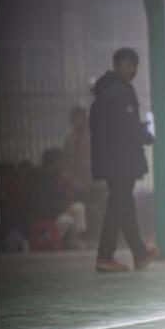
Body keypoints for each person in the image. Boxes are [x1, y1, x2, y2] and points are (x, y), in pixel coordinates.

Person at [89, 46, 158, 273]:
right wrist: (146, 135)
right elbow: (126, 126)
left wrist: (138, 128)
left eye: (134, 64)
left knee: (123, 205)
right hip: (120, 160)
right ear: (116, 66)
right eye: (127, 64)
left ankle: (138, 253)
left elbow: (118, 124)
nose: (132, 69)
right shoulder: (120, 91)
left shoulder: (107, 90)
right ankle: (105, 256)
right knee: (118, 205)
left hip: (112, 158)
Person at [29, 147, 87, 249]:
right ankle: (46, 240)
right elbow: (43, 200)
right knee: (68, 220)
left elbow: (67, 193)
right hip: (45, 213)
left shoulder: (57, 175)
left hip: (58, 209)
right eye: (59, 161)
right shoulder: (40, 176)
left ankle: (75, 239)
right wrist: (61, 205)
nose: (61, 164)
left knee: (79, 207)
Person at [63, 104, 105, 244]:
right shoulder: (70, 139)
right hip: (77, 184)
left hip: (96, 182)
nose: (75, 122)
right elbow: (67, 162)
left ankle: (97, 236)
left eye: (77, 119)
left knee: (98, 209)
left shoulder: (95, 136)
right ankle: (84, 237)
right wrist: (71, 180)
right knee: (81, 210)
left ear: (84, 119)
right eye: (73, 120)